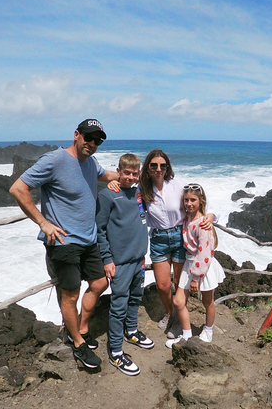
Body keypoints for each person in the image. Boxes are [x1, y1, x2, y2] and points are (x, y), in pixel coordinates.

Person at [9, 118, 119, 370]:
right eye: (88, 137)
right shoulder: (54, 160)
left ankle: (79, 327)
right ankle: (78, 342)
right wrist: (42, 222)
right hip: (63, 241)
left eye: (98, 140)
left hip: (89, 238)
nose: (92, 143)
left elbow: (106, 175)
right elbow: (18, 188)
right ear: (76, 135)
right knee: (70, 293)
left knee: (100, 281)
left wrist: (130, 177)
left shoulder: (90, 162)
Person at [139, 149, 217, 339]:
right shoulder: (142, 188)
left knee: (178, 283)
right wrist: (114, 182)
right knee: (163, 285)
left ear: (167, 168)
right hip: (158, 239)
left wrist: (211, 215)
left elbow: (200, 200)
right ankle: (170, 312)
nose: (159, 169)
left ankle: (179, 319)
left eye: (163, 166)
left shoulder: (177, 185)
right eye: (154, 165)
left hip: (179, 235)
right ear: (148, 168)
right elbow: (124, 180)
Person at [95, 153, 154, 376]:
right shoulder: (108, 195)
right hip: (119, 262)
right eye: (126, 173)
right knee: (118, 306)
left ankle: (131, 331)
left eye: (134, 173)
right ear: (118, 172)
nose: (130, 177)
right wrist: (107, 260)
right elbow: (99, 231)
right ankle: (116, 352)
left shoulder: (140, 192)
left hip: (138, 259)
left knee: (135, 298)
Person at [165, 183, 225, 348]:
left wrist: (196, 278)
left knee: (208, 301)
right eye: (186, 200)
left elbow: (204, 253)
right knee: (179, 302)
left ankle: (208, 329)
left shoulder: (202, 224)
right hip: (190, 264)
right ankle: (186, 335)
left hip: (202, 267)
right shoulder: (188, 217)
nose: (189, 203)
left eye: (193, 200)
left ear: (201, 201)